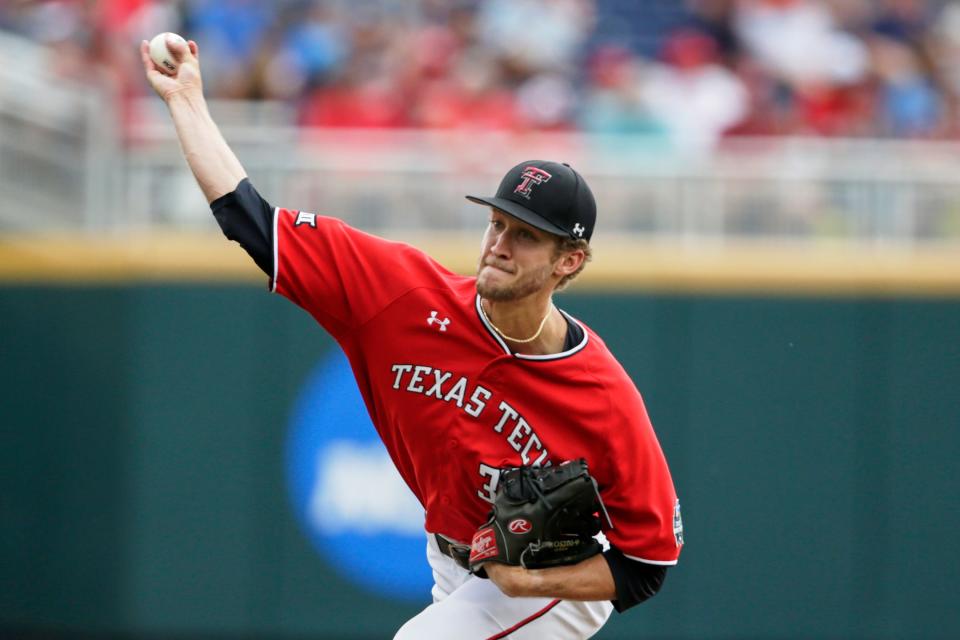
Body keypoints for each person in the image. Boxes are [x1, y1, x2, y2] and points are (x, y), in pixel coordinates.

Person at [140, 35, 683, 640]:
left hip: (550, 586)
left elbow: (648, 563)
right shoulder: (401, 297)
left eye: (526, 235)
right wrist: (186, 99)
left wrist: (527, 582)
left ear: (570, 261)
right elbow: (252, 223)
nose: (500, 243)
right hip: (450, 560)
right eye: (497, 222)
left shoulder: (600, 392)